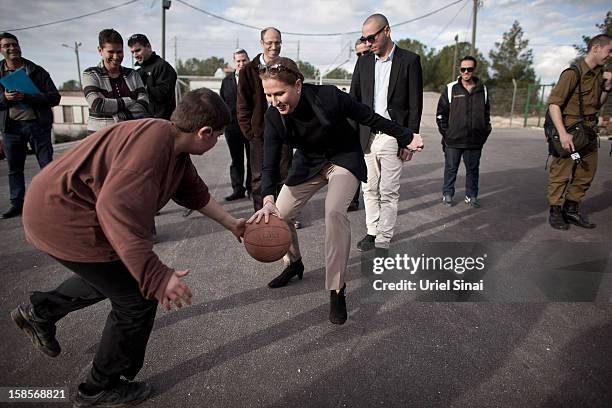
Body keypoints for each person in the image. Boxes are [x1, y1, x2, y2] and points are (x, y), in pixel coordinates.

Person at [10, 88, 246, 407]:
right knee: (137, 296)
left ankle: (39, 312)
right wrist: (156, 276)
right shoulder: (150, 151)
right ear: (204, 132)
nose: (216, 140)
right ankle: (98, 389)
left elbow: (193, 192)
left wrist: (232, 224)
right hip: (63, 216)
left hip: (58, 207)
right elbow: (117, 211)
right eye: (217, 135)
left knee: (116, 277)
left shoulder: (170, 141)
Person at [248, 58, 423, 325]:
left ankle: (336, 287)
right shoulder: (273, 116)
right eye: (269, 95)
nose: (274, 100)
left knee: (333, 212)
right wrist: (268, 199)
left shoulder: (328, 97)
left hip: (342, 158)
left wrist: (406, 135)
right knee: (278, 215)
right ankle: (294, 263)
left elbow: (370, 117)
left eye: (279, 93)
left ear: (297, 85)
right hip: (308, 163)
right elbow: (269, 162)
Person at [350, 14, 423, 252]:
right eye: (365, 38)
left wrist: (409, 139)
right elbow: (353, 102)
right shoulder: (363, 63)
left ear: (387, 31)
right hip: (367, 136)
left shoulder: (409, 61)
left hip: (393, 135)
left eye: (372, 37)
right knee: (369, 188)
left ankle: (383, 238)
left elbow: (415, 104)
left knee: (388, 191)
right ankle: (372, 231)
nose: (368, 43)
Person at [546, 34, 612, 230]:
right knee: (562, 171)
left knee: (586, 172)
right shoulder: (572, 74)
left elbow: (596, 105)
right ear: (596, 48)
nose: (610, 55)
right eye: (609, 50)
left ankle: (571, 209)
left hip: (590, 132)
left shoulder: (600, 75)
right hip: (572, 132)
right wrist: (563, 134)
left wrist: (607, 88)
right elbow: (554, 104)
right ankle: (556, 211)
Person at [237, 27, 298, 227]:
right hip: (259, 135)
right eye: (270, 42)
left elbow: (299, 94)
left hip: (285, 132)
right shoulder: (248, 70)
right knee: (258, 178)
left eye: (278, 42)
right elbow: (243, 104)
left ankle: (285, 217)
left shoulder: (289, 66)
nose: (274, 46)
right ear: (262, 43)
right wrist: (251, 133)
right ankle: (261, 218)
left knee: (285, 175)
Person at [0, 32, 60, 219]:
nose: (12, 48)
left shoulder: (35, 70)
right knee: (14, 168)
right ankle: (17, 203)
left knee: (47, 167)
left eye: (14, 44)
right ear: (1, 50)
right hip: (11, 129)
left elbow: (54, 97)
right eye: (7, 45)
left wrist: (27, 97)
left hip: (38, 126)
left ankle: (53, 202)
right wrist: (5, 98)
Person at [436, 56, 491, 208]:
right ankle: (447, 194)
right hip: (453, 140)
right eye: (463, 69)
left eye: (470, 69)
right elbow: (441, 113)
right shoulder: (450, 88)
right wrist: (447, 133)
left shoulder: (483, 89)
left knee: (473, 170)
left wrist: (484, 133)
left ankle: (471, 196)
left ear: (475, 70)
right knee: (451, 168)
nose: (466, 72)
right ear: (460, 70)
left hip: (474, 141)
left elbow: (486, 115)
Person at [83, 29, 149, 133]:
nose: (116, 56)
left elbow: (144, 105)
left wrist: (117, 114)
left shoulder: (133, 74)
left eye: (119, 52)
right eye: (111, 52)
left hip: (129, 136)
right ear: (100, 50)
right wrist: (129, 101)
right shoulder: (91, 74)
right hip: (100, 138)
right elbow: (97, 104)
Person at [221, 48, 252, 201]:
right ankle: (238, 189)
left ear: (248, 60)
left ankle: (253, 189)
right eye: (238, 61)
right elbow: (222, 102)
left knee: (253, 159)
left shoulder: (256, 78)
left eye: (244, 60)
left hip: (251, 126)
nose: (241, 63)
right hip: (232, 127)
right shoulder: (226, 81)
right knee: (236, 160)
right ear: (234, 62)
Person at [128, 33, 177, 120]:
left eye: (138, 50)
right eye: (132, 52)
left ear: (148, 46)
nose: (135, 55)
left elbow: (163, 94)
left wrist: (142, 89)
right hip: (143, 121)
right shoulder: (138, 70)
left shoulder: (163, 67)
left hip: (161, 122)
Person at [347, 39, 372, 212]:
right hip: (358, 125)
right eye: (358, 54)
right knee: (354, 162)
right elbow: (352, 100)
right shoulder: (358, 69)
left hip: (375, 126)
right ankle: (352, 200)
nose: (362, 57)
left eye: (365, 52)